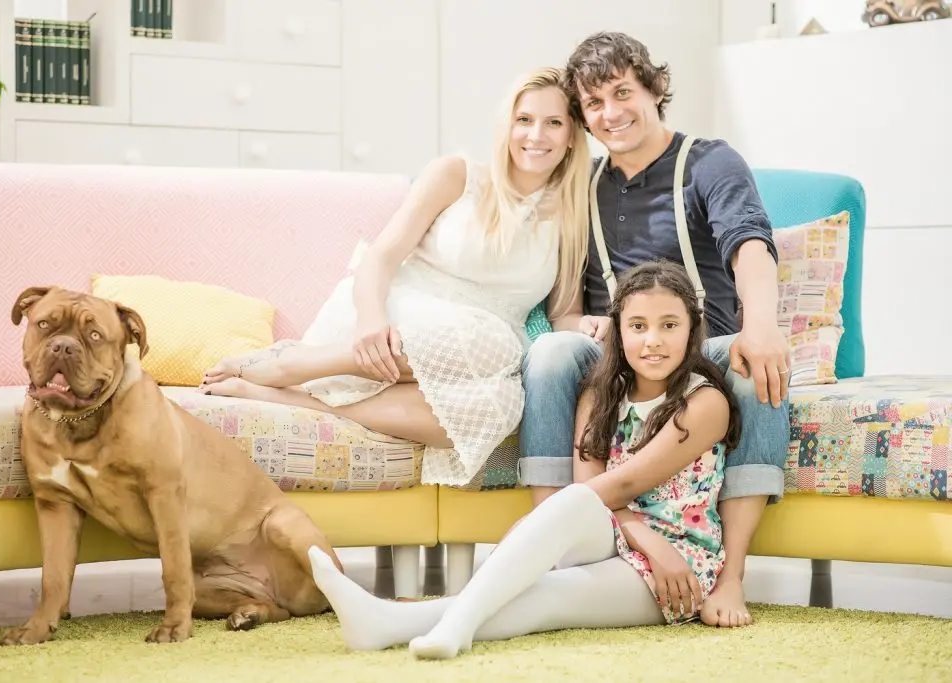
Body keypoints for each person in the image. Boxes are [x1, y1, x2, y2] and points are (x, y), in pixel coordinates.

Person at [305, 260, 743, 659]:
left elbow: (623, 485)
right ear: (618, 331)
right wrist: (641, 538)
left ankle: (407, 623)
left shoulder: (704, 403)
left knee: (548, 594)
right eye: (638, 326)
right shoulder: (599, 393)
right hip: (623, 533)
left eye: (669, 325)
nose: (653, 340)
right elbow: (589, 492)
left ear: (692, 329)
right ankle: (423, 623)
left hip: (681, 563)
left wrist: (544, 525)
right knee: (576, 500)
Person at [197, 66, 592, 487]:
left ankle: (293, 399)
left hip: (479, 356)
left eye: (553, 123)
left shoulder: (571, 211)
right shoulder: (458, 175)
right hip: (399, 316)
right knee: (492, 342)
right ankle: (293, 364)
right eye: (524, 120)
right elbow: (381, 257)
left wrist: (589, 327)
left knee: (500, 405)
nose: (536, 135)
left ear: (572, 135)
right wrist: (371, 321)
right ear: (506, 126)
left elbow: (565, 313)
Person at [516, 31, 791, 629]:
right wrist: (580, 324)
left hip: (705, 348)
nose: (611, 113)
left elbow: (749, 242)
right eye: (594, 103)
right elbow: (565, 305)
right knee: (552, 352)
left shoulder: (709, 161)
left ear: (655, 88)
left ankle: (730, 576)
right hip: (619, 353)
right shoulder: (582, 184)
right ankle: (551, 542)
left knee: (752, 365)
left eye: (622, 93)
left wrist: (762, 326)